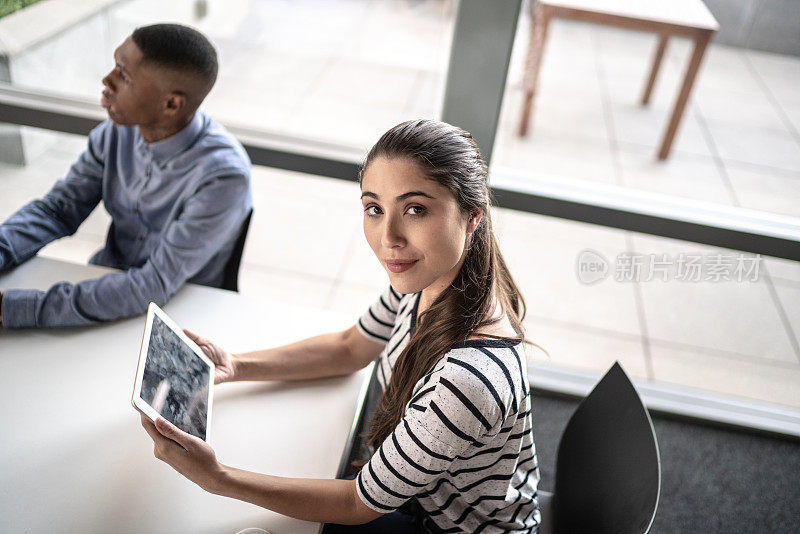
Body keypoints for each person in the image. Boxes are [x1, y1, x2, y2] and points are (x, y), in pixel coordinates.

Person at [140, 119, 540, 533]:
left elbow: (356, 503)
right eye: (374, 209)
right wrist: (237, 365)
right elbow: (351, 346)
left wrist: (216, 478)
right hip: (419, 498)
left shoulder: (468, 378)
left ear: (472, 216)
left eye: (415, 210)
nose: (389, 238)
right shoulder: (427, 282)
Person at [0, 23, 252, 329]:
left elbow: (153, 284)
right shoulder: (116, 132)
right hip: (105, 283)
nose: (106, 81)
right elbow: (57, 211)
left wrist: (17, 308)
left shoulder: (224, 177)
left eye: (123, 75)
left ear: (171, 104)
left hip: (179, 315)